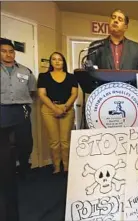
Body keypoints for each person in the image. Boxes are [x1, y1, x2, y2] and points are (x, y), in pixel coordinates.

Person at [0, 38, 37, 221]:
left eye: (11, 51)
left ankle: (23, 166)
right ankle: (7, 174)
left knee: (25, 143)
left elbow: (32, 91)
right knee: (4, 149)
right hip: (2, 110)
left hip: (20, 109)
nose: (8, 54)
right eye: (4, 51)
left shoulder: (25, 71)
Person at [37, 52, 78, 174]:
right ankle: (56, 166)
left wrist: (64, 107)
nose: (57, 61)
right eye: (54, 59)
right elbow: (42, 94)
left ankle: (66, 166)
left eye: (60, 59)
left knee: (65, 141)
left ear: (63, 62)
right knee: (54, 141)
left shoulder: (71, 77)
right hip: (49, 110)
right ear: (51, 62)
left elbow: (74, 94)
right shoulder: (43, 76)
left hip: (67, 109)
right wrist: (55, 109)